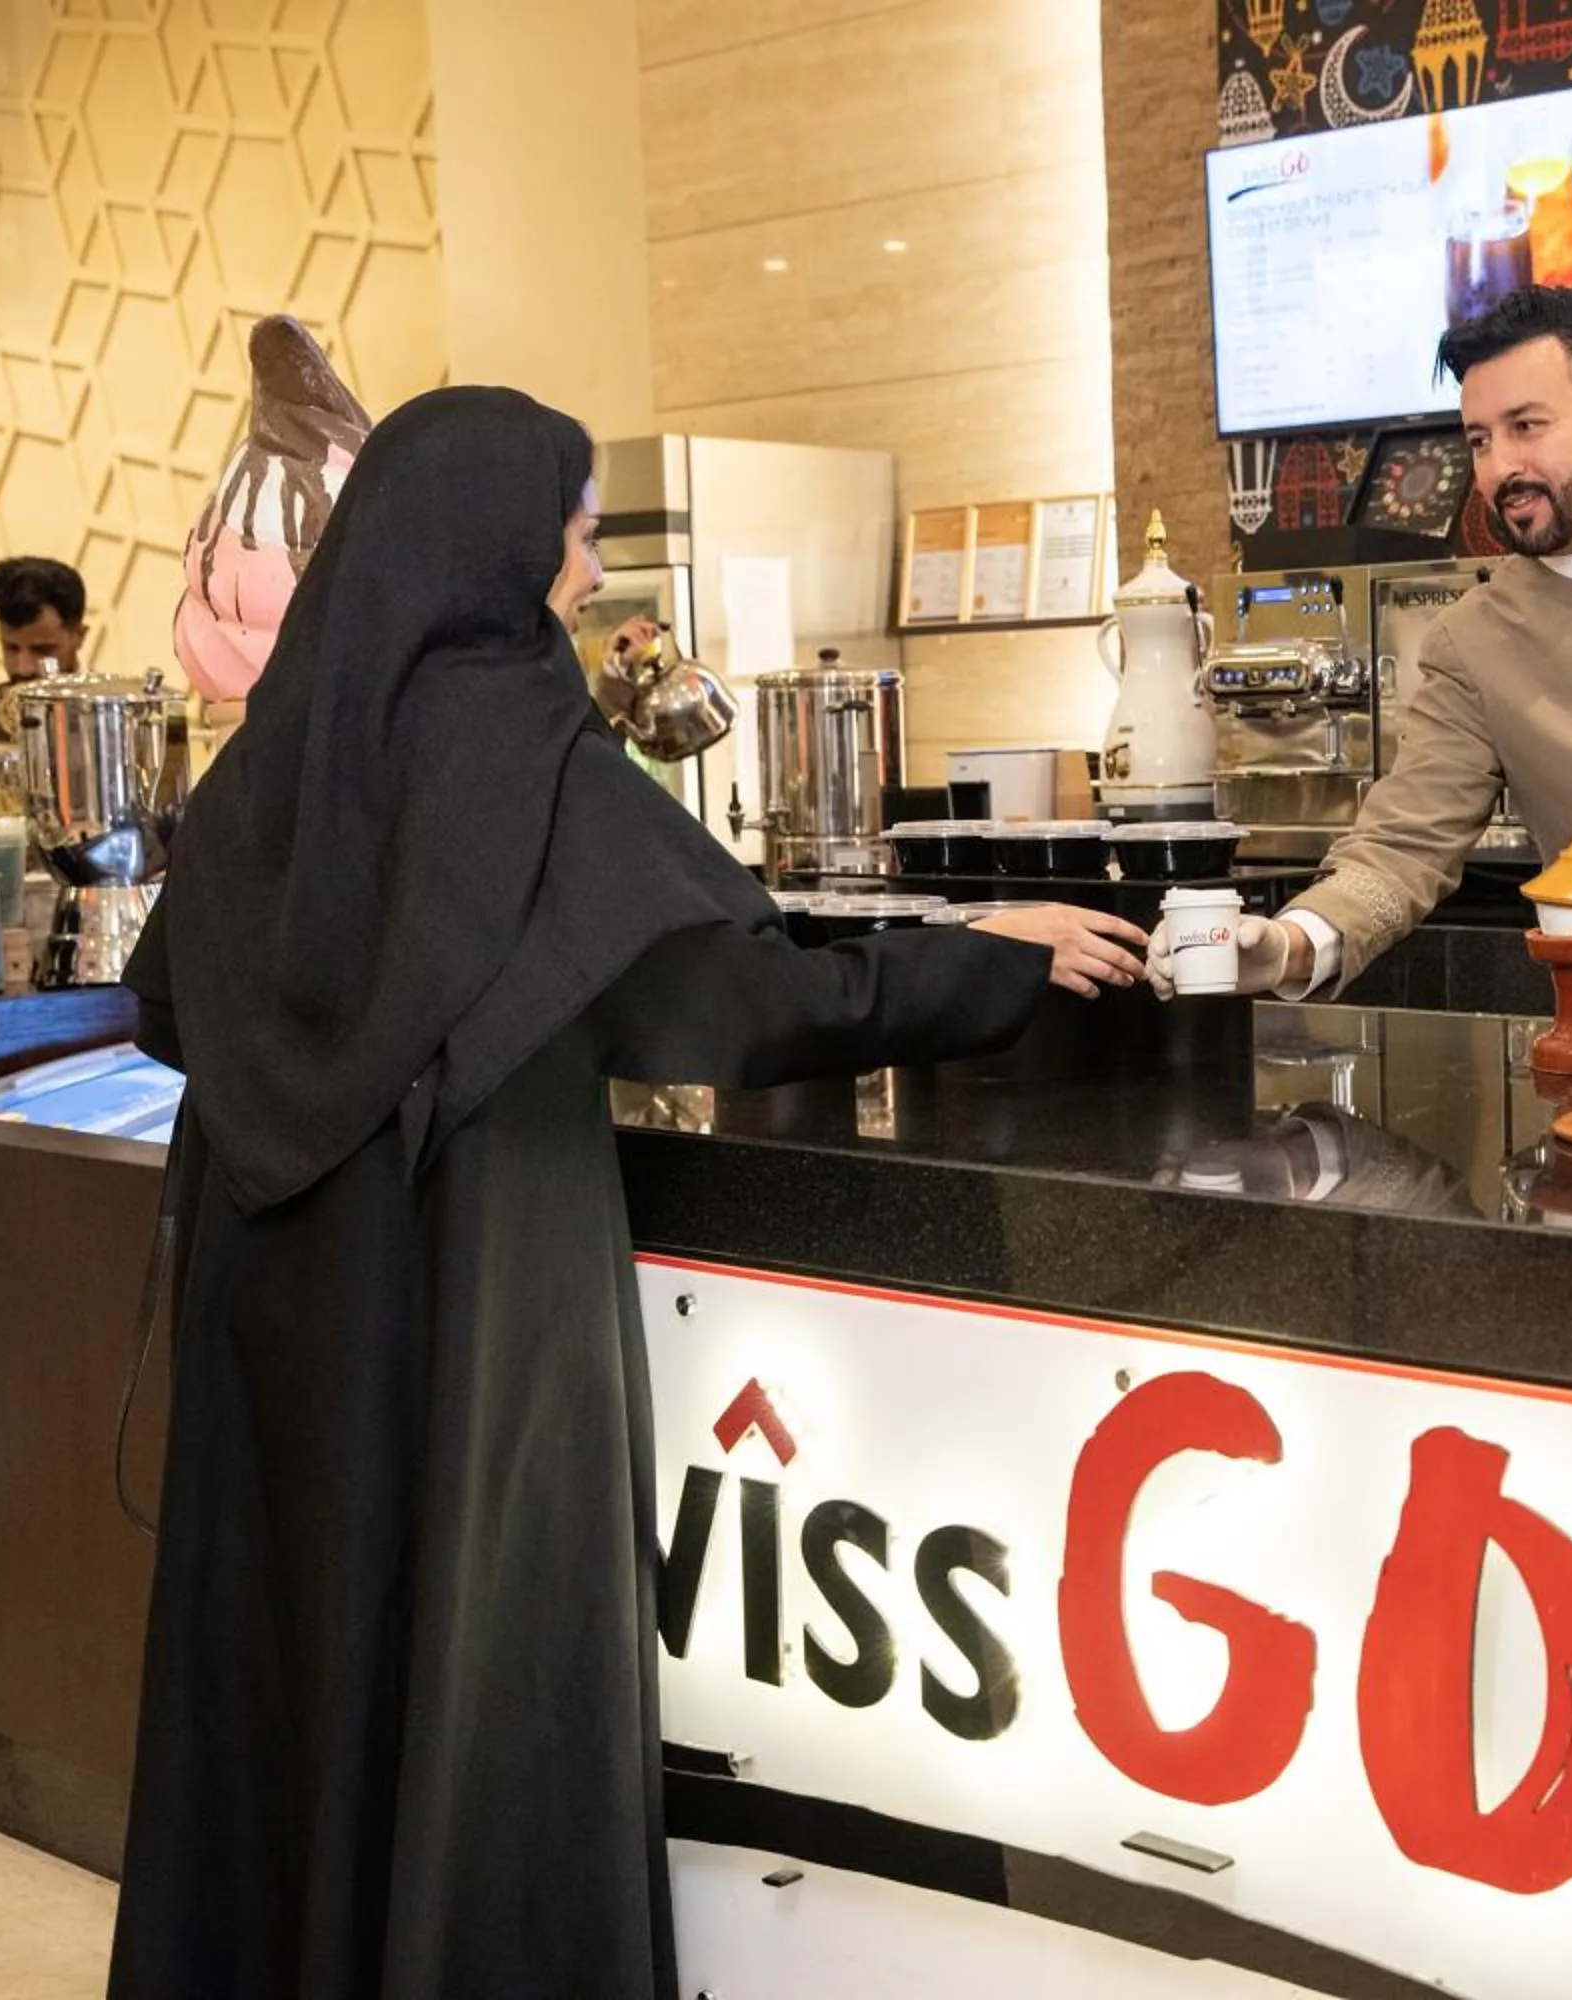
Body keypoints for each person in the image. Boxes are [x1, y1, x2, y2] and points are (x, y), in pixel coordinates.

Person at [105, 387, 1143, 1999]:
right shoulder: (523, 756)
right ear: (496, 545)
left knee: (288, 1694)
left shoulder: (266, 767)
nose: (588, 574)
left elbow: (168, 999)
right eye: (576, 532)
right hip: (471, 1299)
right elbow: (736, 1009)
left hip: (269, 1311)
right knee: (479, 1691)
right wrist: (980, 963)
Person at [1156, 286, 1572, 1000]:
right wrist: (1290, 945)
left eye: (1527, 426)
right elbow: (1400, 849)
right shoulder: (1473, 641)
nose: (1500, 466)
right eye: (1479, 440)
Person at [0, 554, 89, 740]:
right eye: (11, 648)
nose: (22, 668)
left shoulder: (121, 714)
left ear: (79, 636)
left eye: (42, 650)